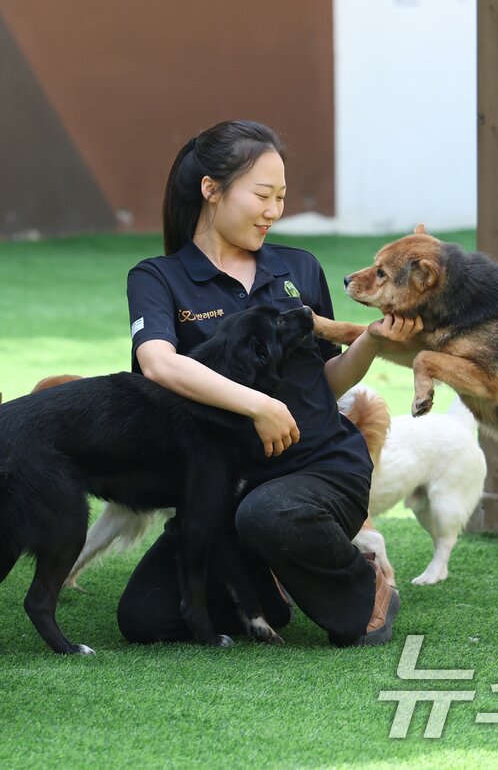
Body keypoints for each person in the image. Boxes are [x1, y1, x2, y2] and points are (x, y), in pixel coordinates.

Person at [119, 120, 421, 646]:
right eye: (263, 195)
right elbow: (158, 364)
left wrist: (369, 340)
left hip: (321, 468)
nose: (274, 211)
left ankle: (365, 588)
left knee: (269, 514)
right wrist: (258, 404)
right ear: (211, 190)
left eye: (280, 196)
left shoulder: (299, 268)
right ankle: (268, 578)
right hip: (221, 484)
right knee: (145, 619)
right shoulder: (158, 277)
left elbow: (326, 381)